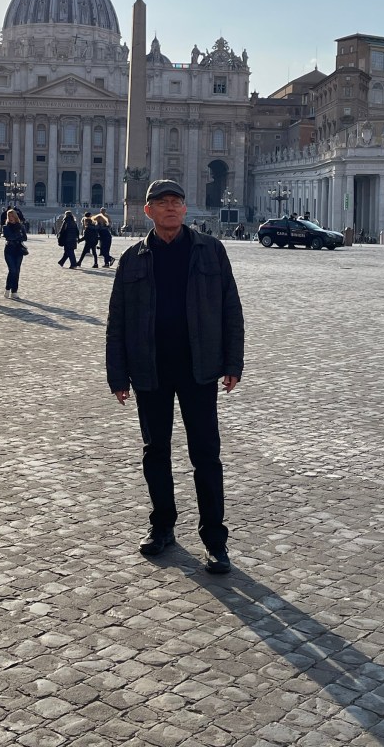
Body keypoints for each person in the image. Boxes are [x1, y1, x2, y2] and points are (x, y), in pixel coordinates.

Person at [106, 179, 245, 575]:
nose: (170, 207)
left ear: (185, 209)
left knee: (206, 455)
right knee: (156, 452)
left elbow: (230, 308)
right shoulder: (132, 258)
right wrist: (117, 375)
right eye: (162, 202)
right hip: (149, 368)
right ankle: (162, 525)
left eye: (176, 202)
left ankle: (215, 540)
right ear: (148, 210)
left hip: (199, 367)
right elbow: (117, 320)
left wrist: (233, 362)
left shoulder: (211, 250)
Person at [1, 208, 28, 300]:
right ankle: (7, 288)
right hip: (9, 250)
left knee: (17, 271)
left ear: (15, 217)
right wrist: (18, 235)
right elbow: (9, 237)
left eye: (12, 216)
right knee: (12, 270)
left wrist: (17, 236)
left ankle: (14, 291)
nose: (11, 218)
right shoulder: (5, 227)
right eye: (9, 216)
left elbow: (25, 237)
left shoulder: (21, 226)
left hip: (19, 250)